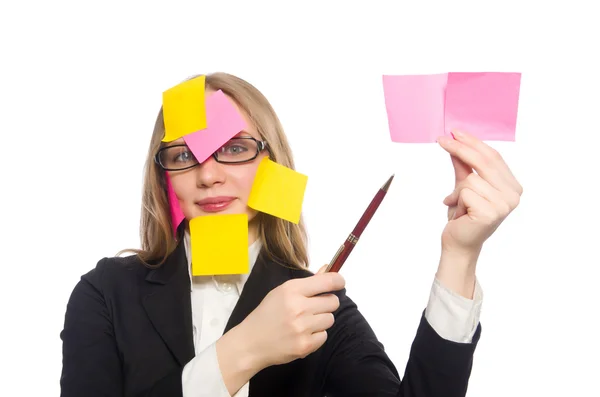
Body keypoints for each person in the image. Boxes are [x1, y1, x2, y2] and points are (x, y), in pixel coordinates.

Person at [59, 72, 523, 397]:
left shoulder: (317, 308)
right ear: (164, 177)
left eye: (235, 149)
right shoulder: (106, 292)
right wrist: (244, 349)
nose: (209, 175)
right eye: (183, 156)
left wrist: (460, 257)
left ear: (272, 165)